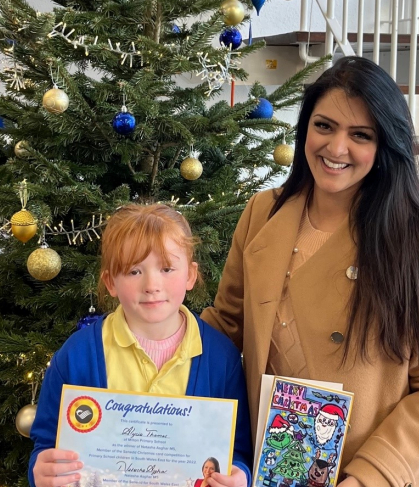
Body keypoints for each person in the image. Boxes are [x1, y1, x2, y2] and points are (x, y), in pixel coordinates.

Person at [201, 56, 419, 487]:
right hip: (281, 464)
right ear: (305, 128)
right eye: (324, 126)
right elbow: (224, 328)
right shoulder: (262, 213)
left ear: (385, 145)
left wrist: (371, 476)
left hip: (382, 471)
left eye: (360, 135)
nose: (335, 149)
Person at [28, 204, 253, 487]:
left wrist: (240, 476)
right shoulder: (77, 356)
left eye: (167, 268)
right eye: (134, 271)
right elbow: (46, 444)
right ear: (110, 282)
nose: (151, 284)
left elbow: (239, 449)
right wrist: (41, 472)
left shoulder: (222, 359)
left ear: (190, 275)